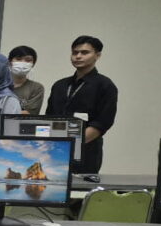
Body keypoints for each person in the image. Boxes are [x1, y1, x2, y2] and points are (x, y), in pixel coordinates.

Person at [45, 35, 117, 175]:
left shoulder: (105, 85)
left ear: (97, 55)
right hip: (54, 149)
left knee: (81, 187)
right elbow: (48, 117)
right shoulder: (60, 85)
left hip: (87, 151)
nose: (78, 56)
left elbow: (102, 123)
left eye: (84, 52)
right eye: (75, 52)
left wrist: (73, 144)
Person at [8, 45, 44, 115]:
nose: (23, 63)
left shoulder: (36, 88)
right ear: (10, 62)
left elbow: (29, 113)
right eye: (18, 59)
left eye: (28, 60)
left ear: (33, 64)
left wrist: (3, 113)